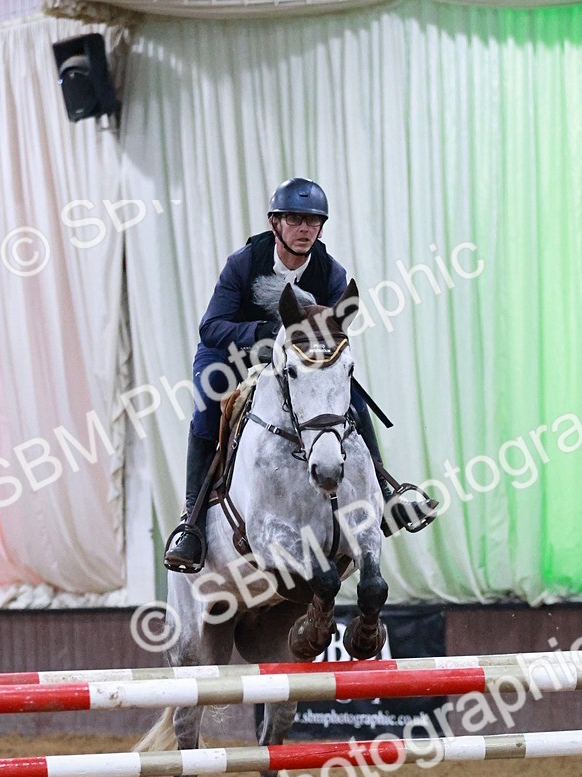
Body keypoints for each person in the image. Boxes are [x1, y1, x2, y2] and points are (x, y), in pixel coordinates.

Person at [164, 177, 435, 571]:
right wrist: (263, 332)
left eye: (313, 221)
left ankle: (387, 495)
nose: (305, 229)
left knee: (353, 401)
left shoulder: (330, 273)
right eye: (295, 219)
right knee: (207, 408)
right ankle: (192, 523)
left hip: (296, 360)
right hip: (232, 353)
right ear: (276, 223)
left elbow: (335, 336)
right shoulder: (243, 264)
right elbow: (211, 327)